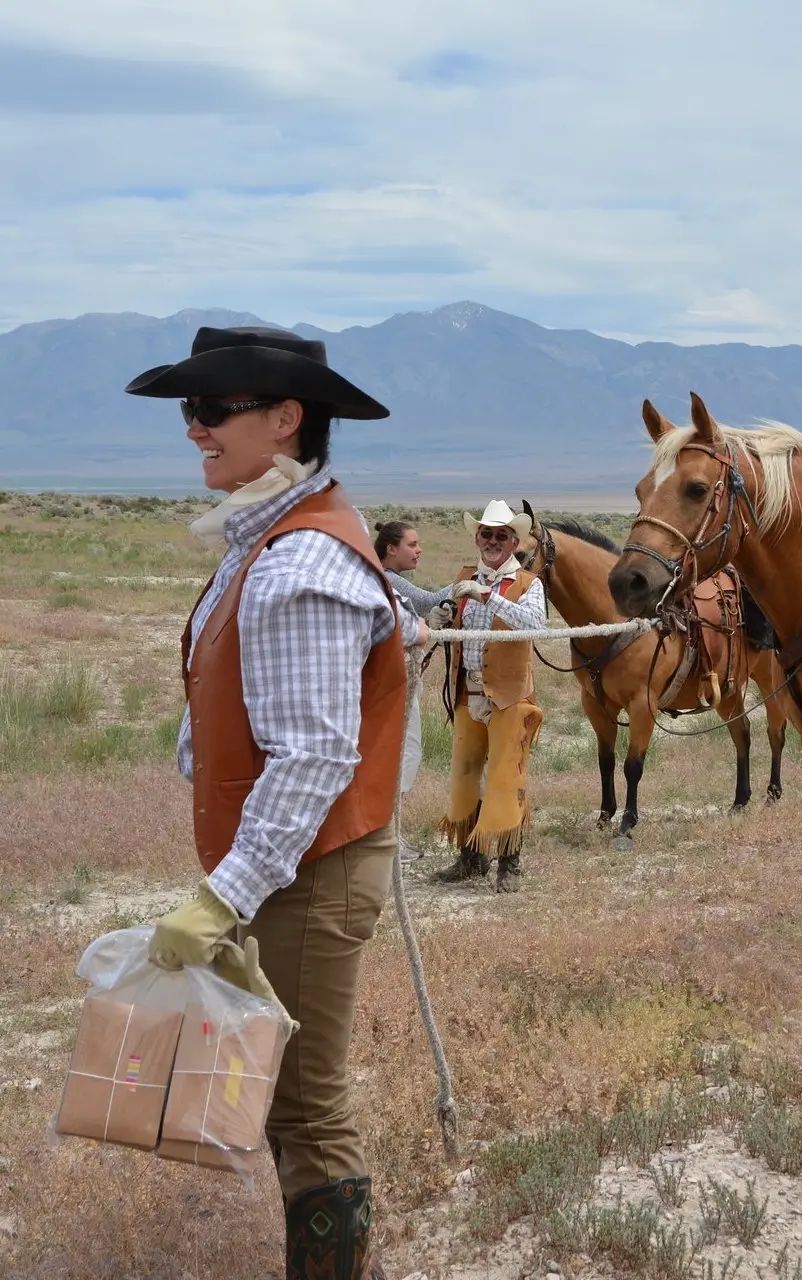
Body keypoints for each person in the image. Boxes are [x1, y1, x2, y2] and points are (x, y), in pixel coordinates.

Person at [125, 325, 427, 1280]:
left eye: (212, 411)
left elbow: (310, 760)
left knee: (304, 1106)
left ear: (285, 419)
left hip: (311, 867)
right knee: (291, 1099)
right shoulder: (280, 541)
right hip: (294, 863)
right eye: (189, 410)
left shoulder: (298, 564)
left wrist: (223, 897)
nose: (194, 432)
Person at [435, 499, 546, 892]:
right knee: (464, 777)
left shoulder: (529, 585)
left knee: (505, 777)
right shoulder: (463, 578)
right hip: (469, 692)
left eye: (501, 535)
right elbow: (450, 620)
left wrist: (488, 597)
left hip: (510, 697)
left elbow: (535, 625)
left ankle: (509, 865)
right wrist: (444, 618)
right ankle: (470, 858)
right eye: (487, 534)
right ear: (477, 538)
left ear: (515, 541)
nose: (493, 541)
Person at [374, 520, 452, 859]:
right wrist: (468, 583)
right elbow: (430, 601)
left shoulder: (386, 580)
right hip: (395, 684)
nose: (419, 550)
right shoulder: (389, 581)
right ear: (392, 549)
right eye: (412, 544)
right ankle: (386, 836)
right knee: (406, 753)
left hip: (390, 682)